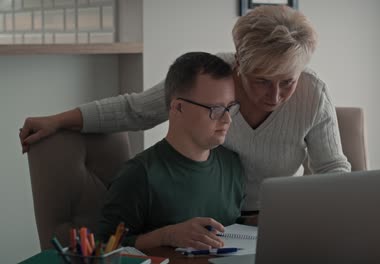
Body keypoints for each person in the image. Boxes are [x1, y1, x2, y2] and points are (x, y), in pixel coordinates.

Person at [19, 6, 351, 213]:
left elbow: (332, 166)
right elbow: (135, 110)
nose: (275, 95)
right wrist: (58, 120)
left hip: (275, 221)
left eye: (287, 82)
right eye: (262, 81)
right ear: (240, 63)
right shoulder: (212, 77)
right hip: (207, 217)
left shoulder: (313, 92)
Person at [96, 52, 245, 250]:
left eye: (230, 107)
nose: (227, 119)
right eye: (216, 109)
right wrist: (167, 235)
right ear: (179, 108)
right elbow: (103, 247)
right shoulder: (138, 175)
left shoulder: (232, 165)